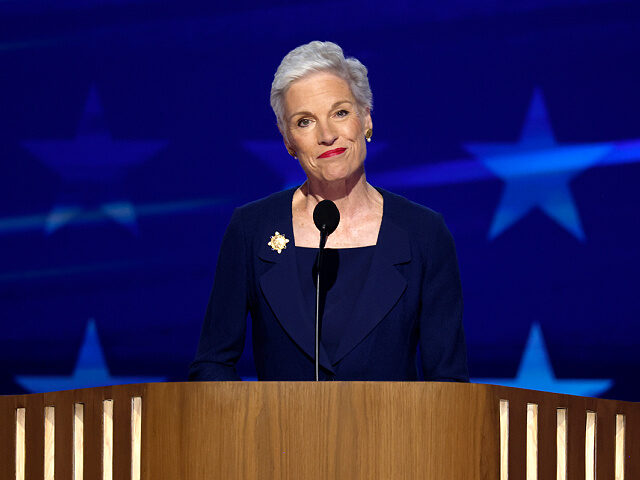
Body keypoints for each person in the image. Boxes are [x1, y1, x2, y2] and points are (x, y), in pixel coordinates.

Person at [188, 41, 468, 381]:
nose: (326, 135)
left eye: (340, 113)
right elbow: (212, 364)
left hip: (392, 433)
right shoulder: (252, 229)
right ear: (288, 140)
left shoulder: (423, 233)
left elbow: (448, 384)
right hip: (278, 434)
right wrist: (253, 430)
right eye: (305, 121)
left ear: (366, 118)